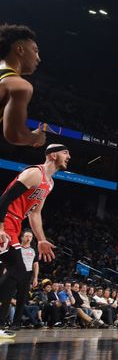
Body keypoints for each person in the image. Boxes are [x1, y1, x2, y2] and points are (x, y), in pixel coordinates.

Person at [0, 144, 64, 338]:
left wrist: (42, 239)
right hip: (6, 222)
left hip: (16, 223)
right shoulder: (34, 173)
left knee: (17, 273)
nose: (69, 156)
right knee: (18, 269)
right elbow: (4, 199)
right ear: (53, 155)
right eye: (66, 152)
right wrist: (1, 227)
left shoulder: (50, 183)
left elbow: (35, 213)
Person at [0, 24, 46, 147]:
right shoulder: (18, 85)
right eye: (35, 51)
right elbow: (16, 135)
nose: (38, 59)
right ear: (20, 50)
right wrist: (36, 137)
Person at [9, 231, 40, 330]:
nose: (29, 238)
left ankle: (16, 323)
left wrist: (35, 278)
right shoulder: (16, 248)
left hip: (26, 275)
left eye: (30, 236)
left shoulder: (34, 249)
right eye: (26, 236)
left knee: (21, 300)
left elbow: (35, 264)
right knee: (7, 297)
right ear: (21, 237)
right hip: (14, 274)